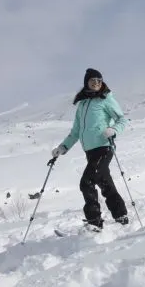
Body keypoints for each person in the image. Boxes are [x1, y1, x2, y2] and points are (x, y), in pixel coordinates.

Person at [52, 68, 129, 229]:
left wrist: (113, 130)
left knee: (86, 182)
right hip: (90, 151)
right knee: (105, 184)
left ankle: (94, 222)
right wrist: (63, 147)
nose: (96, 83)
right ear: (87, 82)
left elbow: (122, 119)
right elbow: (75, 132)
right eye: (93, 80)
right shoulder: (82, 105)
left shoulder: (106, 99)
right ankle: (121, 216)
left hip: (104, 147)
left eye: (99, 81)